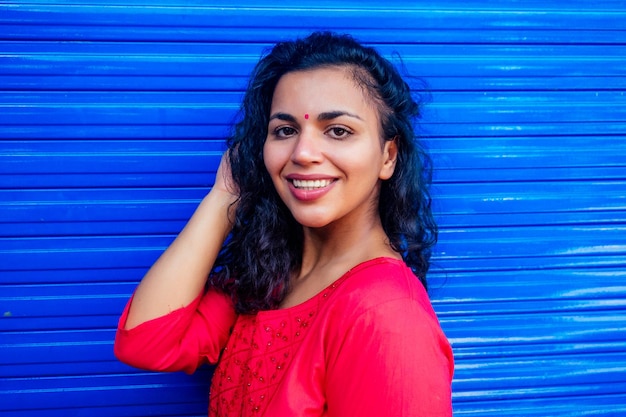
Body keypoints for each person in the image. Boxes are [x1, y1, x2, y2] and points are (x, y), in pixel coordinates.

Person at [114, 31, 454, 416]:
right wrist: (225, 195)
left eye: (338, 130)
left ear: (388, 156)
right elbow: (145, 343)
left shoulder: (387, 317)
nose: (303, 152)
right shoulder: (269, 275)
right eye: (285, 130)